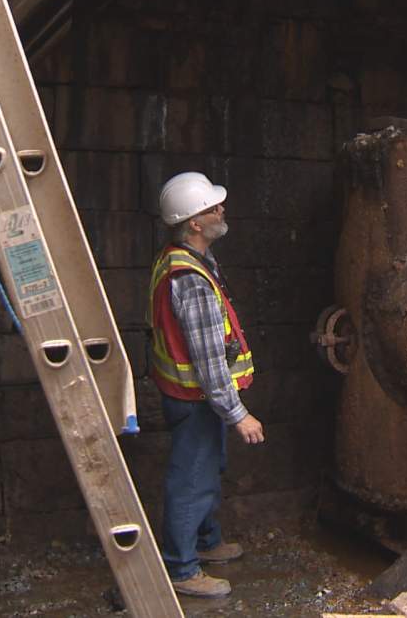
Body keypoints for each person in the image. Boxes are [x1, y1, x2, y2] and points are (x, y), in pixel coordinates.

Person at [147, 171, 265, 597]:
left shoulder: (181, 257)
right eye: (213, 208)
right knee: (192, 478)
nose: (222, 211)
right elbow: (208, 359)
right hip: (197, 397)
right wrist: (239, 414)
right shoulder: (191, 280)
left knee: (206, 468)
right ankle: (181, 569)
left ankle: (206, 542)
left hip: (191, 396)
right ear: (194, 223)